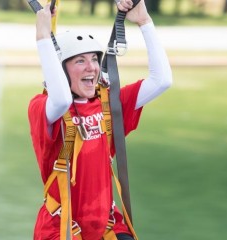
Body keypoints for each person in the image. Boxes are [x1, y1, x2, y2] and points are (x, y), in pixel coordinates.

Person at [28, 0, 172, 239]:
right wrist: (43, 37)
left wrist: (145, 22)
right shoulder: (43, 108)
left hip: (106, 226)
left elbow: (162, 80)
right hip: (60, 228)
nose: (92, 68)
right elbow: (62, 99)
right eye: (80, 61)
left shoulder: (109, 103)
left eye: (94, 59)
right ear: (61, 70)